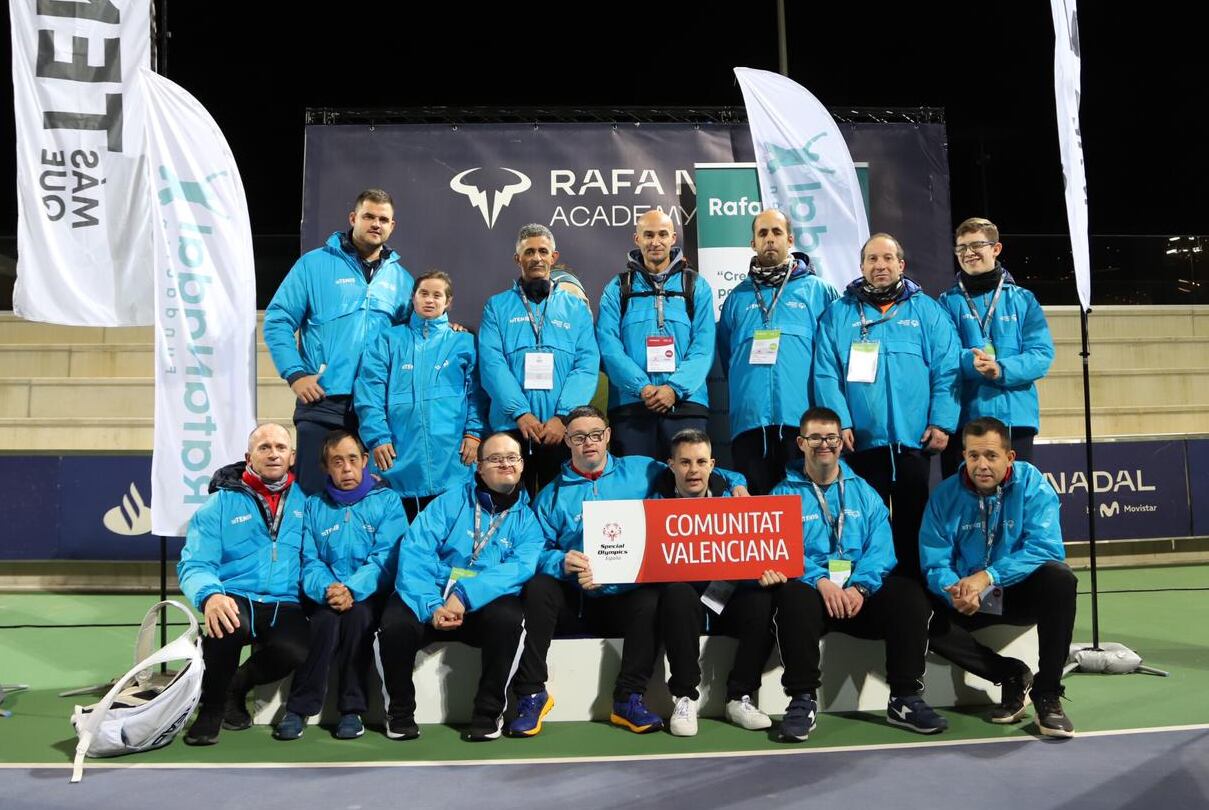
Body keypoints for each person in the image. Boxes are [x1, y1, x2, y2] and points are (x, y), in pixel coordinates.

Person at [507, 406, 746, 737]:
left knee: (653, 597)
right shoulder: (551, 495)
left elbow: (693, 470)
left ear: (607, 436)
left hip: (627, 597)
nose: (588, 442)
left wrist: (737, 484)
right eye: (579, 437)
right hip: (577, 597)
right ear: (568, 441)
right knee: (539, 588)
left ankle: (628, 698)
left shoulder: (641, 471)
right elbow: (535, 550)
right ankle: (532, 694)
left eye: (595, 434)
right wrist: (561, 562)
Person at [763, 407, 947, 741]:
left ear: (841, 442)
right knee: (791, 596)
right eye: (815, 438)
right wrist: (820, 581)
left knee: (908, 594)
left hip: (858, 596)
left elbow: (882, 550)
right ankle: (802, 700)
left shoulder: (864, 491)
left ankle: (904, 698)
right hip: (815, 597)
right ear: (801, 443)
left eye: (831, 437)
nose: (824, 444)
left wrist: (860, 587)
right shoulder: (782, 494)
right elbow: (783, 551)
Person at [376, 432, 542, 742]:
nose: (505, 464)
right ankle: (399, 713)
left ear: (522, 465)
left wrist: (464, 596)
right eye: (495, 458)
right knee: (395, 622)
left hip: (481, 605)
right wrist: (431, 604)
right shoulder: (448, 503)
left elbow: (518, 569)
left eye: (512, 458)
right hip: (433, 597)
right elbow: (415, 551)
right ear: (479, 467)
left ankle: (488, 714)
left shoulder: (528, 523)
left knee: (508, 618)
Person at [813, 233, 960, 577]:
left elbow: (947, 369)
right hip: (862, 443)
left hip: (914, 441)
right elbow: (826, 373)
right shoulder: (839, 314)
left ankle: (913, 595)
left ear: (901, 265)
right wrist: (841, 423)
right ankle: (873, 594)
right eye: (872, 259)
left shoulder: (927, 311)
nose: (880, 265)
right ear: (861, 266)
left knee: (913, 526)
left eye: (887, 258)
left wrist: (942, 421)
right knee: (866, 528)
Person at [921, 417, 1077, 738]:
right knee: (917, 616)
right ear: (963, 455)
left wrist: (988, 576)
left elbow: (1046, 548)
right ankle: (1010, 674)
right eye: (974, 455)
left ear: (1010, 457)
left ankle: (1047, 693)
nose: (982, 465)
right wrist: (953, 589)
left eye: (991, 456)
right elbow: (935, 561)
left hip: (1017, 592)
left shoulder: (1031, 484)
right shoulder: (944, 496)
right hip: (969, 598)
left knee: (1060, 579)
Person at [263, 188, 415, 495]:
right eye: (369, 216)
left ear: (392, 226)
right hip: (323, 400)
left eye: (383, 219)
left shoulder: (402, 280)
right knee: (312, 496)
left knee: (368, 499)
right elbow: (278, 320)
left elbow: (411, 338)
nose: (376, 224)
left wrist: (447, 326)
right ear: (353, 218)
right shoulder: (313, 265)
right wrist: (295, 373)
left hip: (375, 407)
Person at [178, 423, 309, 746]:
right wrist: (210, 596)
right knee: (226, 625)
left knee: (295, 650)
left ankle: (237, 686)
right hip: (236, 594)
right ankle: (211, 709)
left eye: (280, 447)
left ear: (292, 457)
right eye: (264, 447)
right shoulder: (221, 503)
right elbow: (195, 563)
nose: (273, 454)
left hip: (285, 600)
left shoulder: (307, 502)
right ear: (249, 457)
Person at [271, 431, 405, 742]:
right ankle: (298, 709)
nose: (346, 469)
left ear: (365, 461)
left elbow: (386, 557)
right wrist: (329, 588)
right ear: (326, 467)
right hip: (327, 594)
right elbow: (309, 560)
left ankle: (351, 710)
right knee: (324, 623)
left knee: (358, 619)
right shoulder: (314, 506)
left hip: (370, 594)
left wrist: (353, 590)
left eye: (353, 460)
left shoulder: (388, 501)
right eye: (337, 462)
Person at [650, 428, 775, 736]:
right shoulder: (654, 506)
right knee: (677, 595)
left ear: (712, 465)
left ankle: (739, 697)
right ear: (671, 465)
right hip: (685, 600)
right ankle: (685, 697)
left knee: (762, 600)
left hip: (726, 595)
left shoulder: (736, 500)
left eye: (701, 462)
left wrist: (768, 573)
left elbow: (757, 555)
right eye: (685, 462)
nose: (693, 470)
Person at [717, 209, 838, 495]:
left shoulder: (819, 292)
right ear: (753, 243)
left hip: (803, 423)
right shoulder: (737, 298)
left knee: (806, 507)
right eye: (763, 233)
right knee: (759, 512)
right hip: (750, 423)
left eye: (776, 232)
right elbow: (727, 354)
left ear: (790, 240)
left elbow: (832, 360)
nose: (769, 239)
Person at [354, 270, 486, 520]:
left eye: (437, 295)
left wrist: (474, 433)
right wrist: (378, 438)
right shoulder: (388, 340)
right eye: (424, 293)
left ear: (448, 302)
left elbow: (477, 395)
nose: (429, 300)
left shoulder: (464, 343)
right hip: (398, 463)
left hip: (452, 462)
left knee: (451, 535)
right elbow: (370, 392)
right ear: (413, 297)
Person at [478, 224, 600, 495]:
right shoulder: (496, 307)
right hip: (511, 427)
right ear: (517, 258)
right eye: (529, 252)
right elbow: (492, 364)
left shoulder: (576, 309)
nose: (536, 257)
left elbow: (586, 366)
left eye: (543, 251)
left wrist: (563, 416)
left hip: (560, 430)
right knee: (507, 505)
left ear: (553, 257)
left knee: (557, 505)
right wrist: (520, 413)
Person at [938, 218, 1054, 477]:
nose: (969, 253)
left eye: (977, 245)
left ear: (996, 249)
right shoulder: (946, 303)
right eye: (961, 248)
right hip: (965, 418)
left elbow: (1041, 354)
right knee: (964, 496)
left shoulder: (1024, 300)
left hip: (1015, 419)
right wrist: (971, 363)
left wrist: (1001, 369)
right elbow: (944, 355)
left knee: (1015, 492)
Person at [597, 210, 715, 459]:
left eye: (662, 234)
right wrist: (641, 387)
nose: (656, 242)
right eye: (648, 235)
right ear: (637, 239)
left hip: (686, 405)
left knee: (687, 481)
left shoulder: (695, 285)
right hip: (631, 407)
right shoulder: (618, 287)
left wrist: (674, 388)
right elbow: (608, 346)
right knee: (636, 482)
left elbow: (703, 347)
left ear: (673, 238)